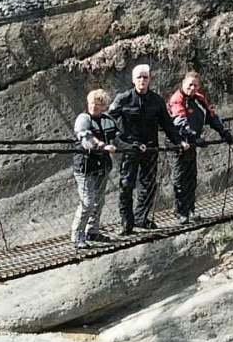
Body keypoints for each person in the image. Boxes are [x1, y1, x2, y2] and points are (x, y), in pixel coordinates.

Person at [108, 64, 189, 235]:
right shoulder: (123, 99)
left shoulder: (157, 100)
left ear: (149, 79)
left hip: (150, 148)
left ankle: (141, 218)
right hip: (130, 149)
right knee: (126, 185)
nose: (142, 80)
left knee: (148, 185)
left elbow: (167, 124)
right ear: (133, 80)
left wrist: (179, 141)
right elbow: (108, 122)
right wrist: (118, 141)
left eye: (145, 77)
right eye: (139, 77)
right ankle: (126, 223)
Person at [167, 71, 233, 223]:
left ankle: (190, 210)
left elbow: (211, 117)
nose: (192, 88)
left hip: (191, 143)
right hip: (177, 143)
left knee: (192, 177)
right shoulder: (177, 99)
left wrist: (223, 132)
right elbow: (179, 121)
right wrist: (194, 137)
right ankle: (180, 212)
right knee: (179, 177)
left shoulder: (199, 99)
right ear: (183, 84)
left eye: (195, 85)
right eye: (189, 84)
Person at [71, 88, 121, 248]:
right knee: (88, 201)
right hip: (85, 166)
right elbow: (85, 139)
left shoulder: (107, 120)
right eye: (92, 103)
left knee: (99, 201)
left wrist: (132, 145)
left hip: (102, 166)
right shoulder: (83, 118)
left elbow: (118, 138)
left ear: (104, 106)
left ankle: (92, 231)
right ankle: (77, 235)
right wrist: (101, 145)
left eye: (99, 104)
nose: (94, 106)